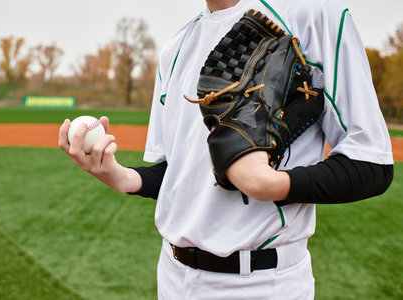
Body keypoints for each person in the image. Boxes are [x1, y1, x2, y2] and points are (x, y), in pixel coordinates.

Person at [59, 0, 394, 299]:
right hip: (173, 276)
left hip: (262, 284)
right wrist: (120, 176)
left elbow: (372, 163)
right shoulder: (175, 49)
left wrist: (270, 184)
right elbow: (178, 173)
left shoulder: (312, 14)